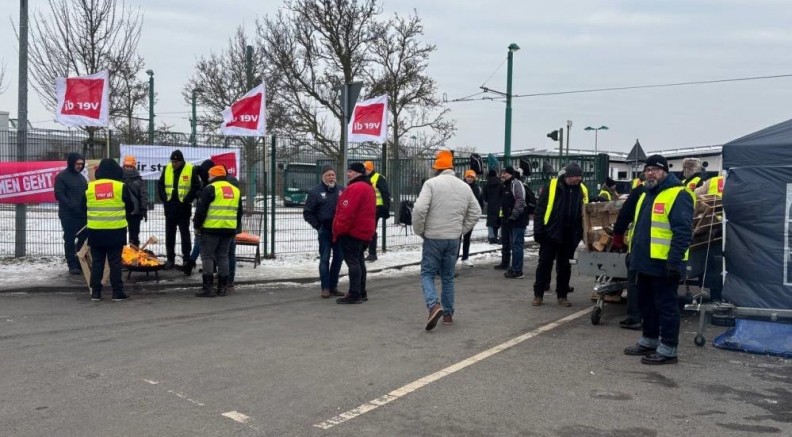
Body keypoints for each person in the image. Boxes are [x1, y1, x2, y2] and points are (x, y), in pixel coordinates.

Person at [620, 154, 694, 365]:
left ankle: (669, 349)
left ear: (665, 171)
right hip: (643, 261)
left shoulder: (678, 195)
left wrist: (674, 261)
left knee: (666, 306)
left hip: (663, 263)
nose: (650, 172)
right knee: (646, 304)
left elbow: (682, 232)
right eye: (648, 169)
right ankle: (649, 340)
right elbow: (640, 227)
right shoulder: (646, 193)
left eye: (655, 169)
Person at [412, 150, 480, 329]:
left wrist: (420, 230)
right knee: (448, 277)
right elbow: (476, 212)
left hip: (433, 237)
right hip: (453, 239)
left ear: (437, 168)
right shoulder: (464, 186)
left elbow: (419, 209)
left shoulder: (431, 184)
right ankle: (448, 315)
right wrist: (461, 231)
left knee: (427, 273)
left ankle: (433, 305)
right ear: (452, 167)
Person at [532, 162, 589, 306]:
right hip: (550, 233)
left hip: (569, 236)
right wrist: (538, 230)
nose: (578, 179)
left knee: (564, 267)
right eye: (576, 176)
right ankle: (538, 294)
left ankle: (562, 296)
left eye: (579, 176)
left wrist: (580, 234)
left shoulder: (581, 189)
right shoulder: (552, 186)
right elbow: (540, 209)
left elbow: (584, 212)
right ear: (567, 176)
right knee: (544, 264)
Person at [84, 158, 134, 302]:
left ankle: (96, 293)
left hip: (95, 231)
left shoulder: (90, 187)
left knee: (97, 262)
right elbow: (130, 206)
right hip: (115, 230)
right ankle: (117, 293)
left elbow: (82, 207)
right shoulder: (120, 186)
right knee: (115, 262)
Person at [192, 165, 243, 297]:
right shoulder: (235, 191)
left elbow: (201, 210)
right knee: (223, 256)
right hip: (228, 230)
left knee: (207, 257)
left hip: (210, 229)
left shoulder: (210, 189)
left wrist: (197, 226)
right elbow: (239, 212)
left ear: (214, 175)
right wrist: (235, 227)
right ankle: (222, 288)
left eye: (209, 175)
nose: (208, 177)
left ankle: (208, 288)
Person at [332, 162, 376, 304]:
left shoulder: (355, 188)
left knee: (353, 262)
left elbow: (346, 212)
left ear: (357, 173)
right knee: (359, 260)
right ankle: (361, 292)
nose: (347, 174)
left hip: (353, 231)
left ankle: (354, 294)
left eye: (350, 171)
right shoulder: (368, 187)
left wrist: (338, 230)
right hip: (365, 231)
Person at [303, 164, 345, 298]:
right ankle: (325, 288)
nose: (331, 177)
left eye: (333, 174)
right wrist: (318, 226)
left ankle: (333, 286)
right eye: (329, 175)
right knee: (325, 259)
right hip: (325, 230)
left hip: (339, 231)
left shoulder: (342, 190)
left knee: (338, 258)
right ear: (323, 177)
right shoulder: (315, 192)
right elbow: (307, 213)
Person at [611, 173, 647, 330]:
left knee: (635, 282)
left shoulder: (640, 191)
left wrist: (618, 237)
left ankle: (635, 318)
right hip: (662, 251)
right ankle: (651, 317)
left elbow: (624, 215)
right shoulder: (676, 192)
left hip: (640, 247)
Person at [157, 149, 201, 271]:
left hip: (184, 207)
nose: (173, 164)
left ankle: (186, 259)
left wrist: (187, 199)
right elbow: (160, 185)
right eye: (172, 161)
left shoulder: (190, 169)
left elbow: (196, 187)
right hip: (170, 207)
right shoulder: (167, 169)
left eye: (176, 162)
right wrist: (165, 199)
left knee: (185, 234)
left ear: (181, 161)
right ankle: (170, 259)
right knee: (169, 235)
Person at [54, 152, 88, 275]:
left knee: (83, 238)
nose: (80, 166)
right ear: (71, 163)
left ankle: (79, 261)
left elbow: (86, 194)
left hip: (82, 214)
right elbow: (59, 194)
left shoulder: (82, 178)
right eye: (78, 163)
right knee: (69, 239)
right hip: (68, 214)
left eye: (81, 164)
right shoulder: (62, 177)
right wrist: (71, 205)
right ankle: (72, 264)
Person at [494, 166, 528, 279]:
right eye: (502, 173)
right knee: (511, 244)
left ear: (510, 174)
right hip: (509, 220)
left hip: (517, 220)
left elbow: (520, 200)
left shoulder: (516, 184)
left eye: (505, 173)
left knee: (517, 245)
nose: (503, 175)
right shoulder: (505, 185)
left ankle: (517, 270)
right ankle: (513, 267)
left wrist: (514, 215)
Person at [185, 159, 216, 276]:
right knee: (199, 241)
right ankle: (194, 264)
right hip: (205, 217)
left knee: (200, 241)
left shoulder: (210, 185)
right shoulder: (206, 182)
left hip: (207, 219)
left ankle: (191, 263)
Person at [363, 160, 391, 262]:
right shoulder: (364, 179)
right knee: (367, 230)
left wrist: (385, 208)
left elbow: (385, 193)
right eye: (364, 169)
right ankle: (369, 252)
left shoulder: (378, 178)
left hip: (376, 208)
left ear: (371, 169)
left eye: (367, 169)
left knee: (371, 230)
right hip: (366, 208)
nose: (365, 171)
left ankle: (372, 253)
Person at [122, 156, 148, 247]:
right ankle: (122, 253)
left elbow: (143, 195)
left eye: (130, 167)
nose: (128, 169)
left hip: (135, 212)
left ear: (134, 167)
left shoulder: (139, 180)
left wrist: (144, 208)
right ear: (123, 166)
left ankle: (134, 253)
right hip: (121, 211)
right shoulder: (119, 178)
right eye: (127, 166)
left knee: (134, 235)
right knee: (121, 234)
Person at [460, 169, 483, 267]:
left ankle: (465, 257)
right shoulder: (460, 187)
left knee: (467, 238)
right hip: (460, 215)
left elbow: (480, 202)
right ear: (465, 177)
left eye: (471, 177)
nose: (469, 179)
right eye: (468, 176)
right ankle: (454, 257)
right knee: (456, 238)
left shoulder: (477, 188)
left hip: (469, 217)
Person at [484, 169, 502, 244]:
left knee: (491, 222)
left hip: (490, 206)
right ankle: (499, 237)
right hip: (500, 205)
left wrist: (488, 201)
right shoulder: (500, 183)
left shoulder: (486, 184)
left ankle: (491, 237)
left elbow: (484, 196)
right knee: (500, 221)